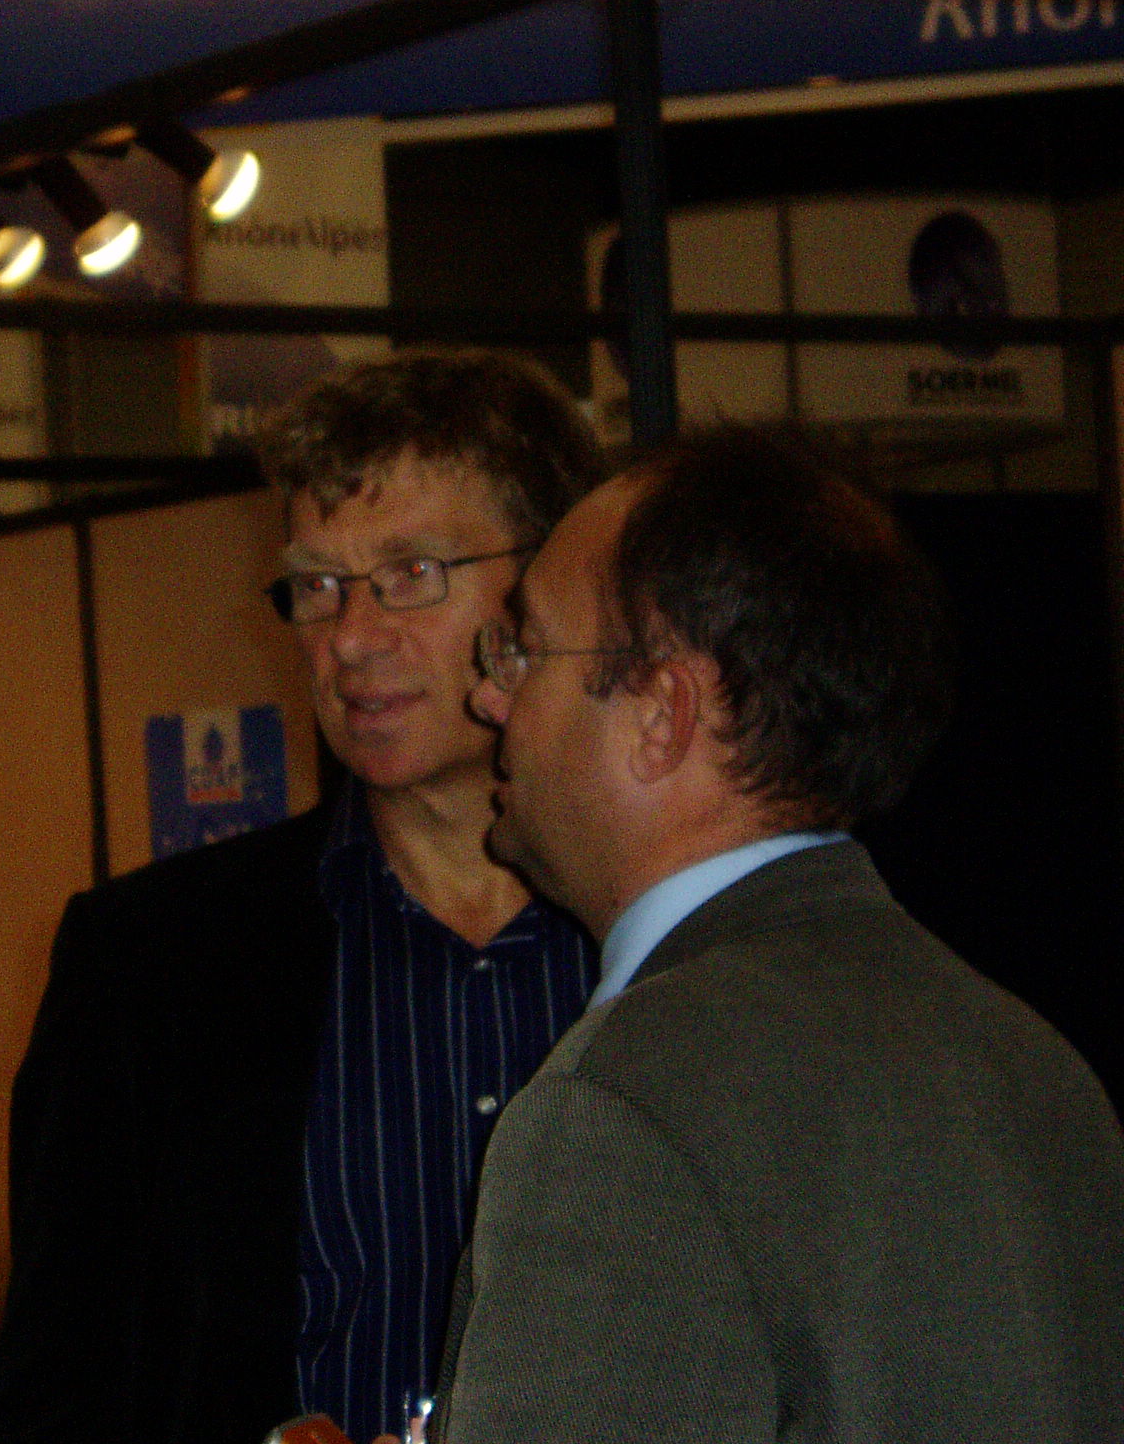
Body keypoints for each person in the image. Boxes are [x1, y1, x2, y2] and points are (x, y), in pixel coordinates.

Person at [444, 429, 1124, 1441]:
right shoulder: (1034, 1066)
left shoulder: (627, 1101)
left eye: (525, 649)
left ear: (661, 715)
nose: (487, 696)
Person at [0, 350, 605, 1444]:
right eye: (316, 586)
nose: (349, 638)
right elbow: (58, 1391)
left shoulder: (686, 950)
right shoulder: (150, 963)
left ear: (547, 589)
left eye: (411, 572)